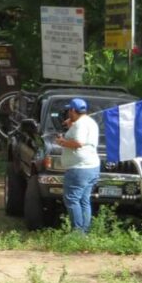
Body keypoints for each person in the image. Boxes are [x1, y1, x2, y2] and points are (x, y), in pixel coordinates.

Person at [55, 98, 100, 234]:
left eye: (69, 110)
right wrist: (71, 127)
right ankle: (84, 232)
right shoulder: (90, 122)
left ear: (73, 110)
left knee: (72, 199)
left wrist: (62, 141)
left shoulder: (79, 125)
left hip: (79, 168)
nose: (68, 112)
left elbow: (78, 143)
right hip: (92, 166)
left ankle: (77, 232)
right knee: (84, 200)